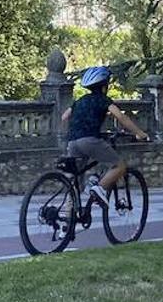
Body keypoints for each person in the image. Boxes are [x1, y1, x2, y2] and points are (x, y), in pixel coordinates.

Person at [61, 66, 149, 207]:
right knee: (120, 166)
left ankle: (68, 220)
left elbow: (64, 117)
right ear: (105, 85)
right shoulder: (103, 100)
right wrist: (139, 133)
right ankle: (99, 188)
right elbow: (120, 116)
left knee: (74, 181)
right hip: (89, 140)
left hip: (72, 142)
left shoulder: (80, 101)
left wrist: (76, 128)